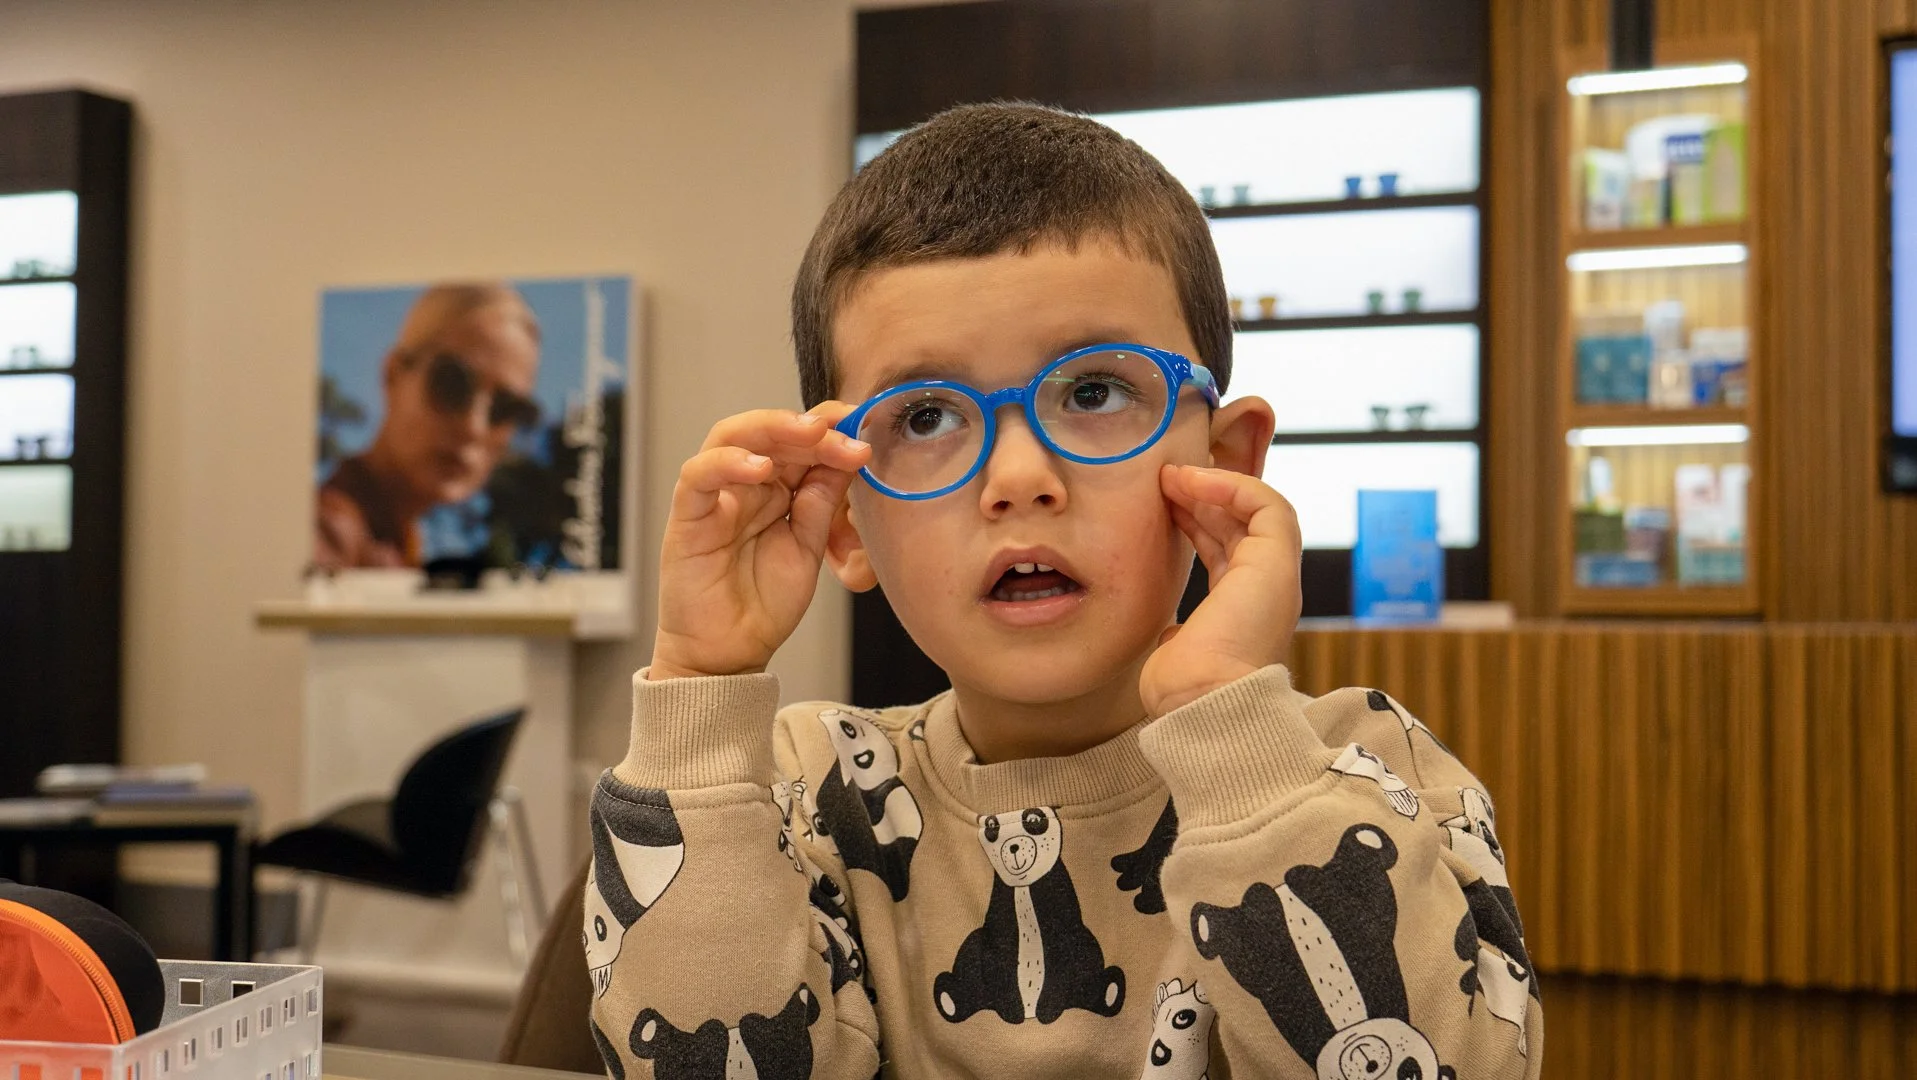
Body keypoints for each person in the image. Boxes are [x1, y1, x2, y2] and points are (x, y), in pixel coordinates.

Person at [586, 104, 1541, 1078]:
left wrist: (1225, 719)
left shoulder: (1364, 774)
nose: (1018, 478)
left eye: (1092, 392)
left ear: (1224, 464)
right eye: (926, 415)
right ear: (843, 522)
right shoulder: (812, 796)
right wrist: (700, 684)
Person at [313, 282, 542, 569]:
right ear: (392, 375)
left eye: (507, 408)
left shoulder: (395, 545)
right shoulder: (329, 533)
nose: (474, 427)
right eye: (451, 383)